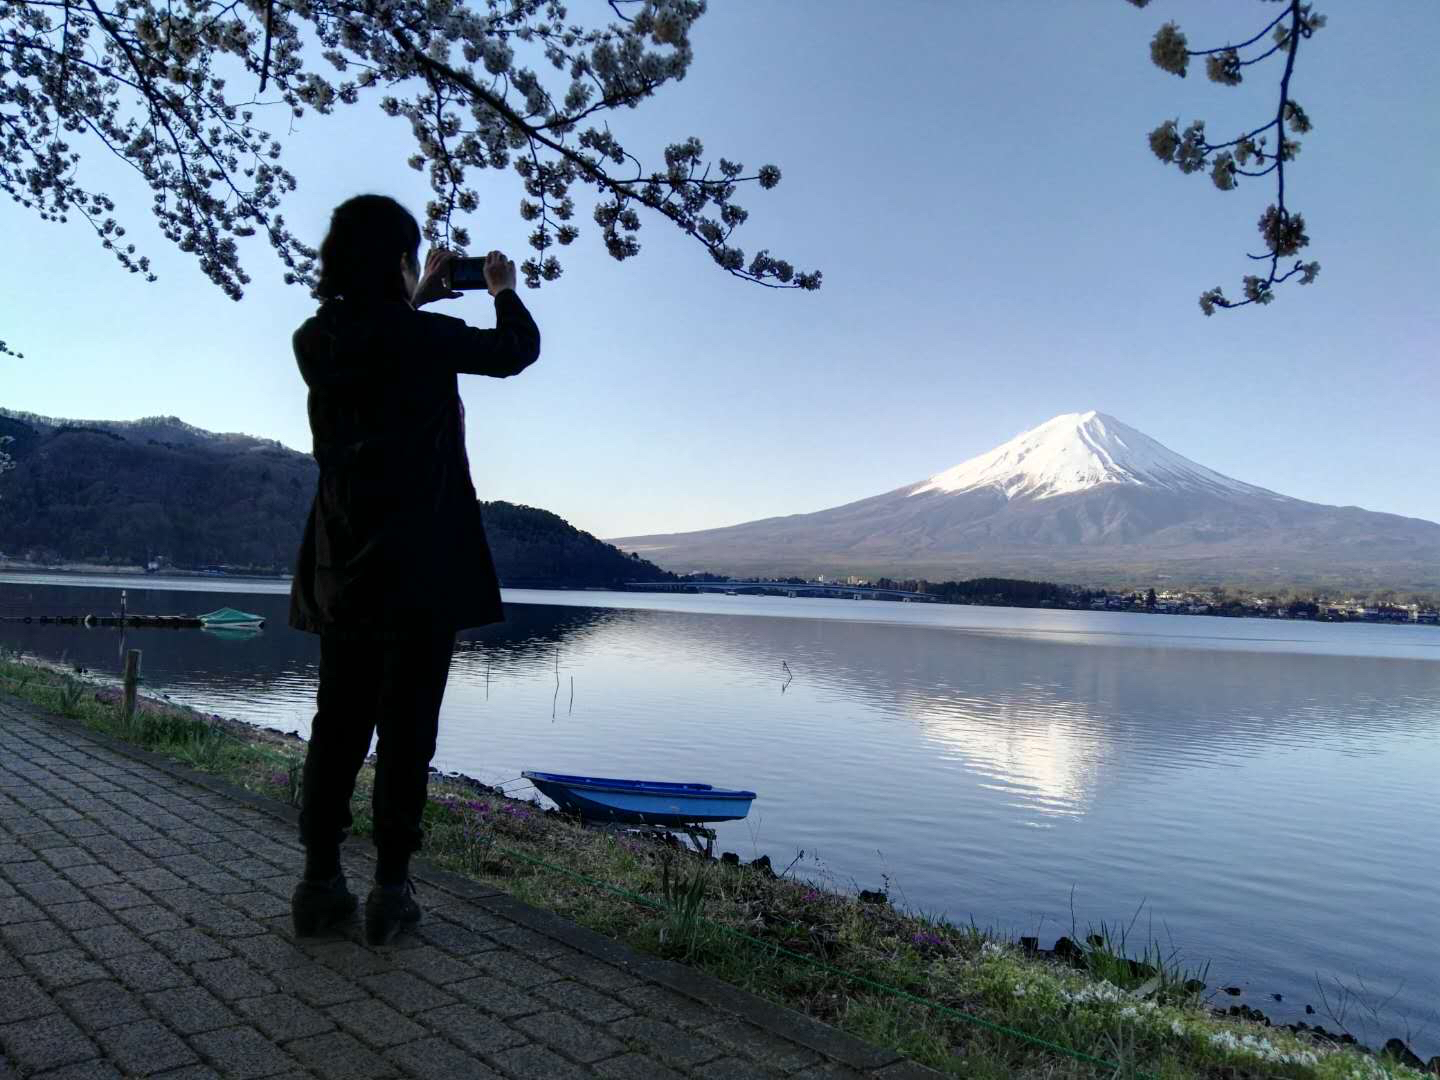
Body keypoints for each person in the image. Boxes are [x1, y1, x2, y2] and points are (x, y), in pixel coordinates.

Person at [287, 194, 540, 945]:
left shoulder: (313, 340)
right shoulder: (428, 339)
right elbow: (515, 351)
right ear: (400, 260)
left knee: (337, 725)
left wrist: (416, 291)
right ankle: (389, 895)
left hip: (342, 566)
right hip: (420, 571)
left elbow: (375, 337)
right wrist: (499, 287)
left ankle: (318, 883)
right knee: (406, 734)